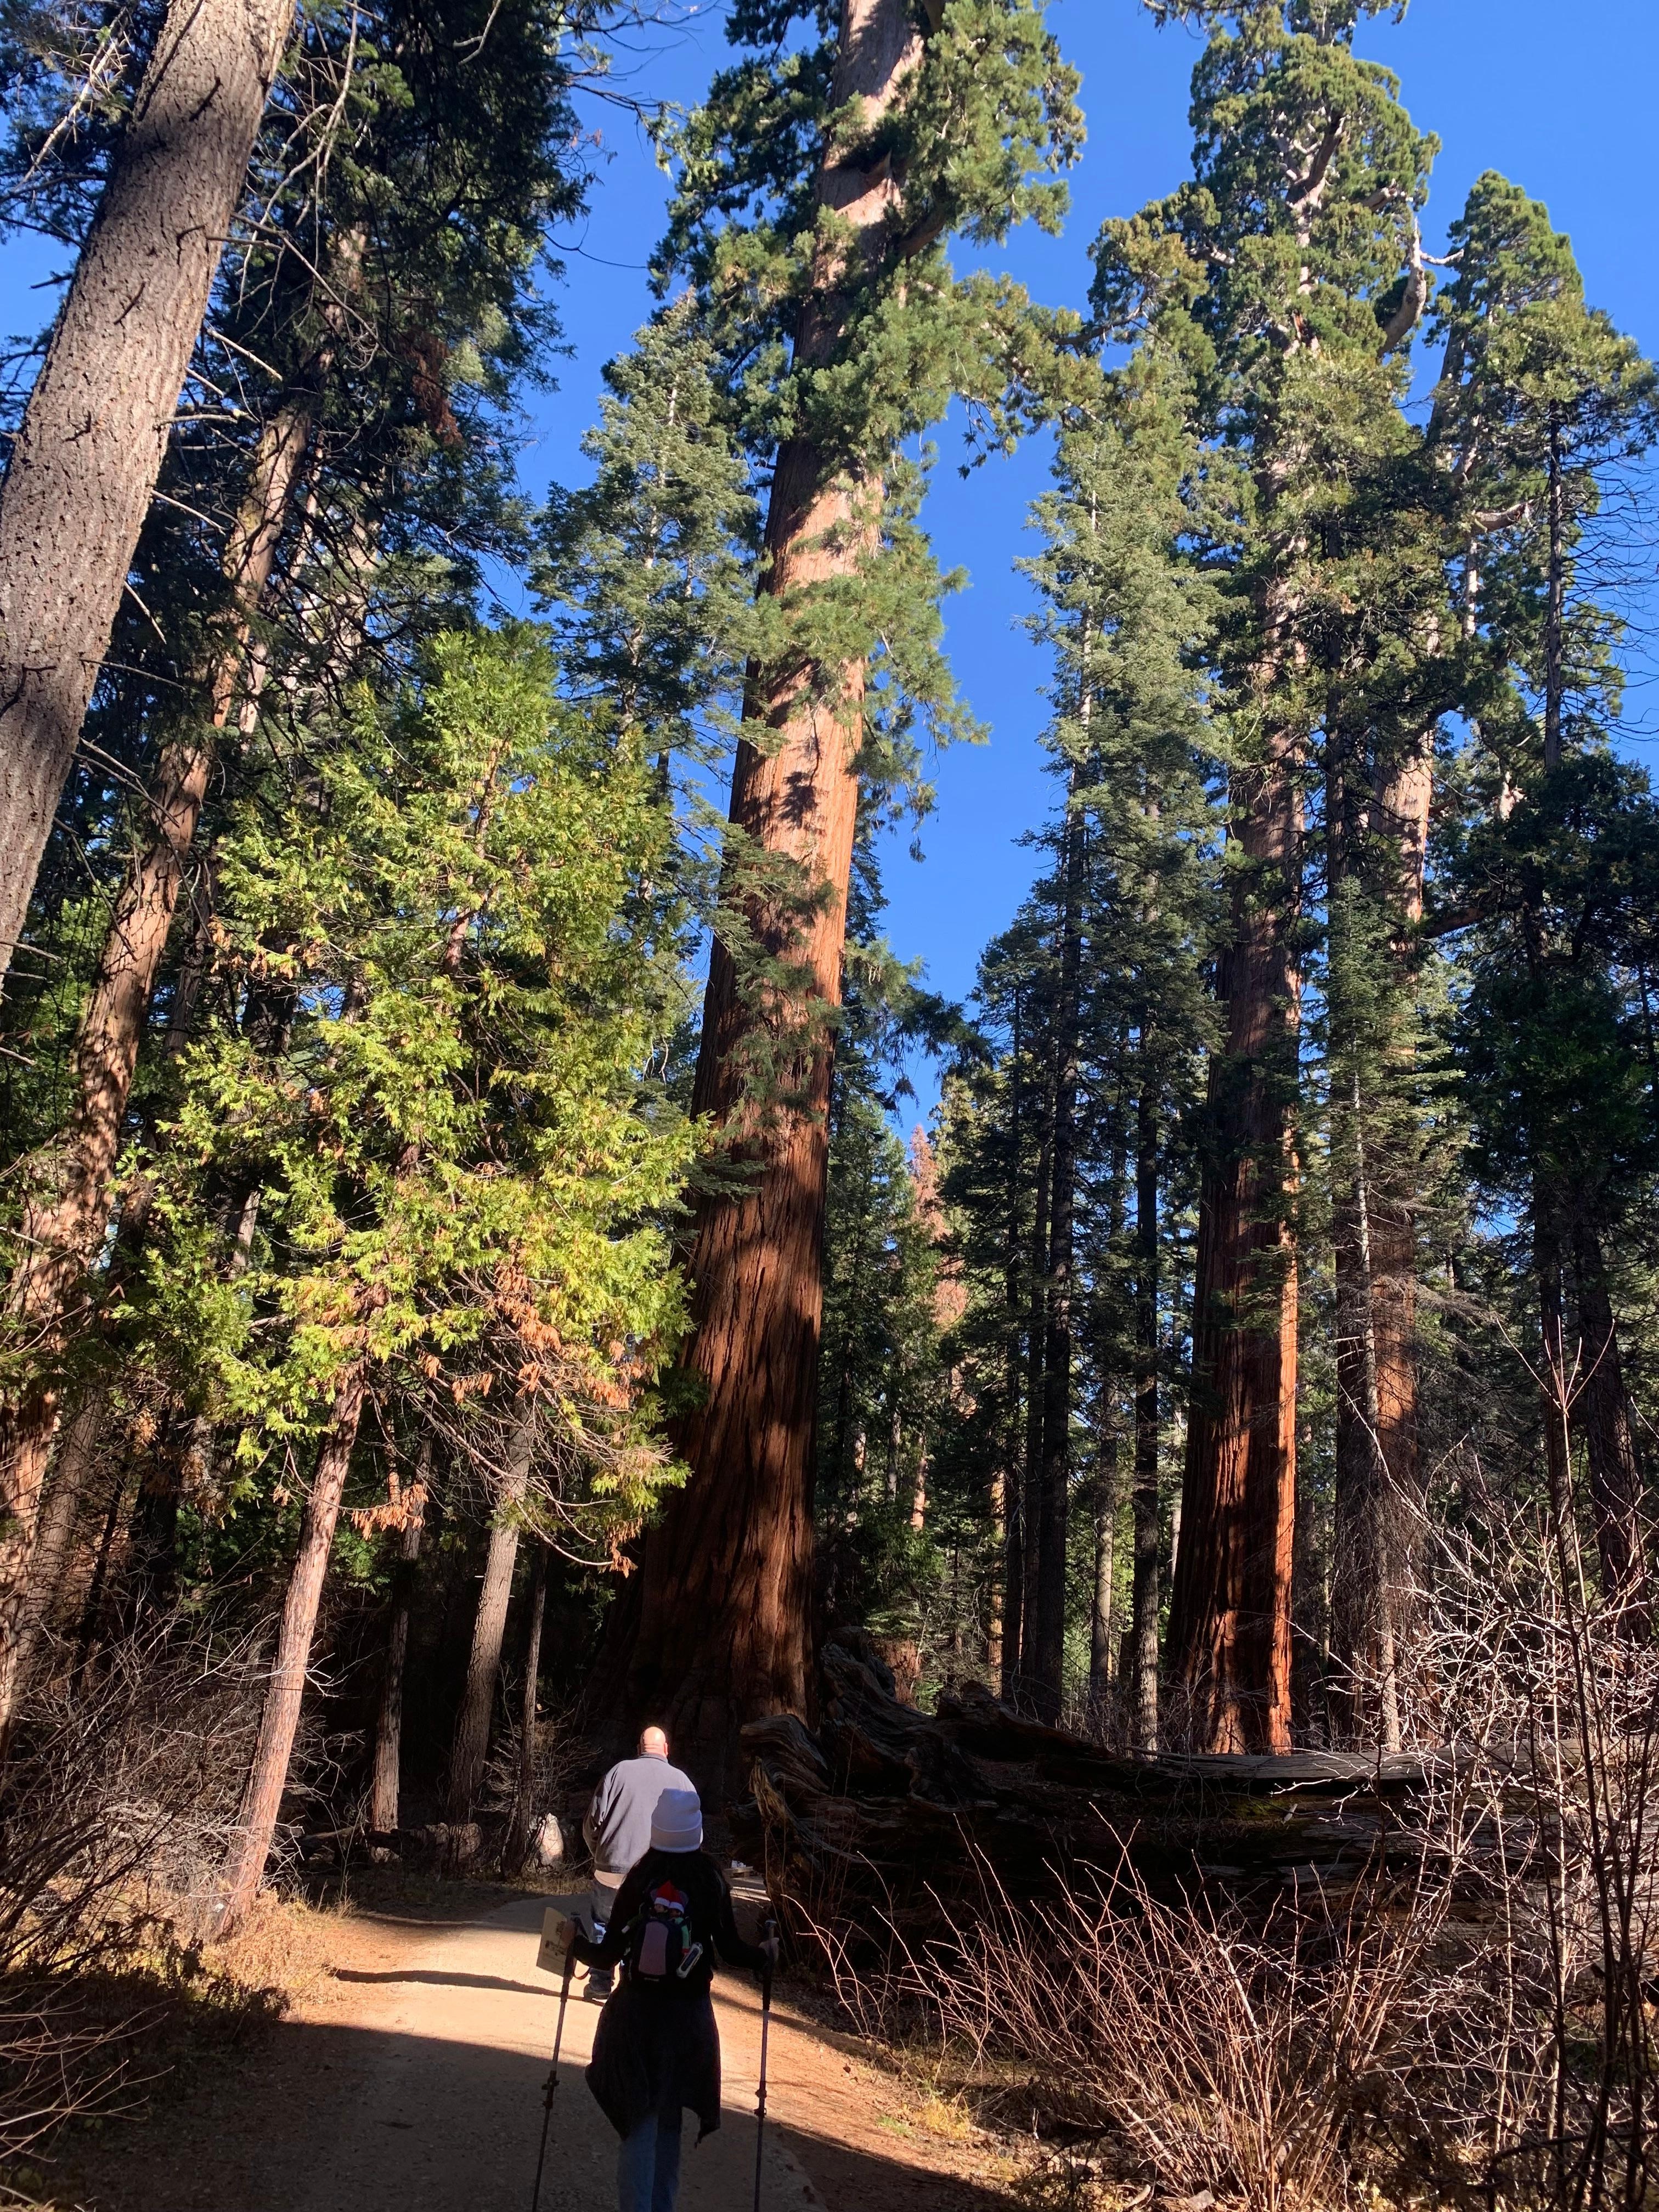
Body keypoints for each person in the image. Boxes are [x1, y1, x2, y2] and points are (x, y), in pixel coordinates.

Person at [567, 1786, 776, 2212]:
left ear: (657, 1830)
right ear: (696, 1831)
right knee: (669, 2122)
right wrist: (765, 1956)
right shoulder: (709, 1880)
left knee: (638, 2124)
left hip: (634, 2019)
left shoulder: (640, 1877)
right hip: (687, 2021)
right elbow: (732, 1950)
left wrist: (574, 1944)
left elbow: (606, 1955)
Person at [582, 1726, 693, 1999]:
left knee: (603, 1923)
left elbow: (592, 1823)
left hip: (611, 1868)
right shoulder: (681, 1782)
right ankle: (631, 1983)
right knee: (645, 1925)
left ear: (639, 1749)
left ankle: (600, 1982)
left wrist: (601, 1854)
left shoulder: (617, 1772)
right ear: (666, 1750)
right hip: (656, 1875)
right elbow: (694, 1837)